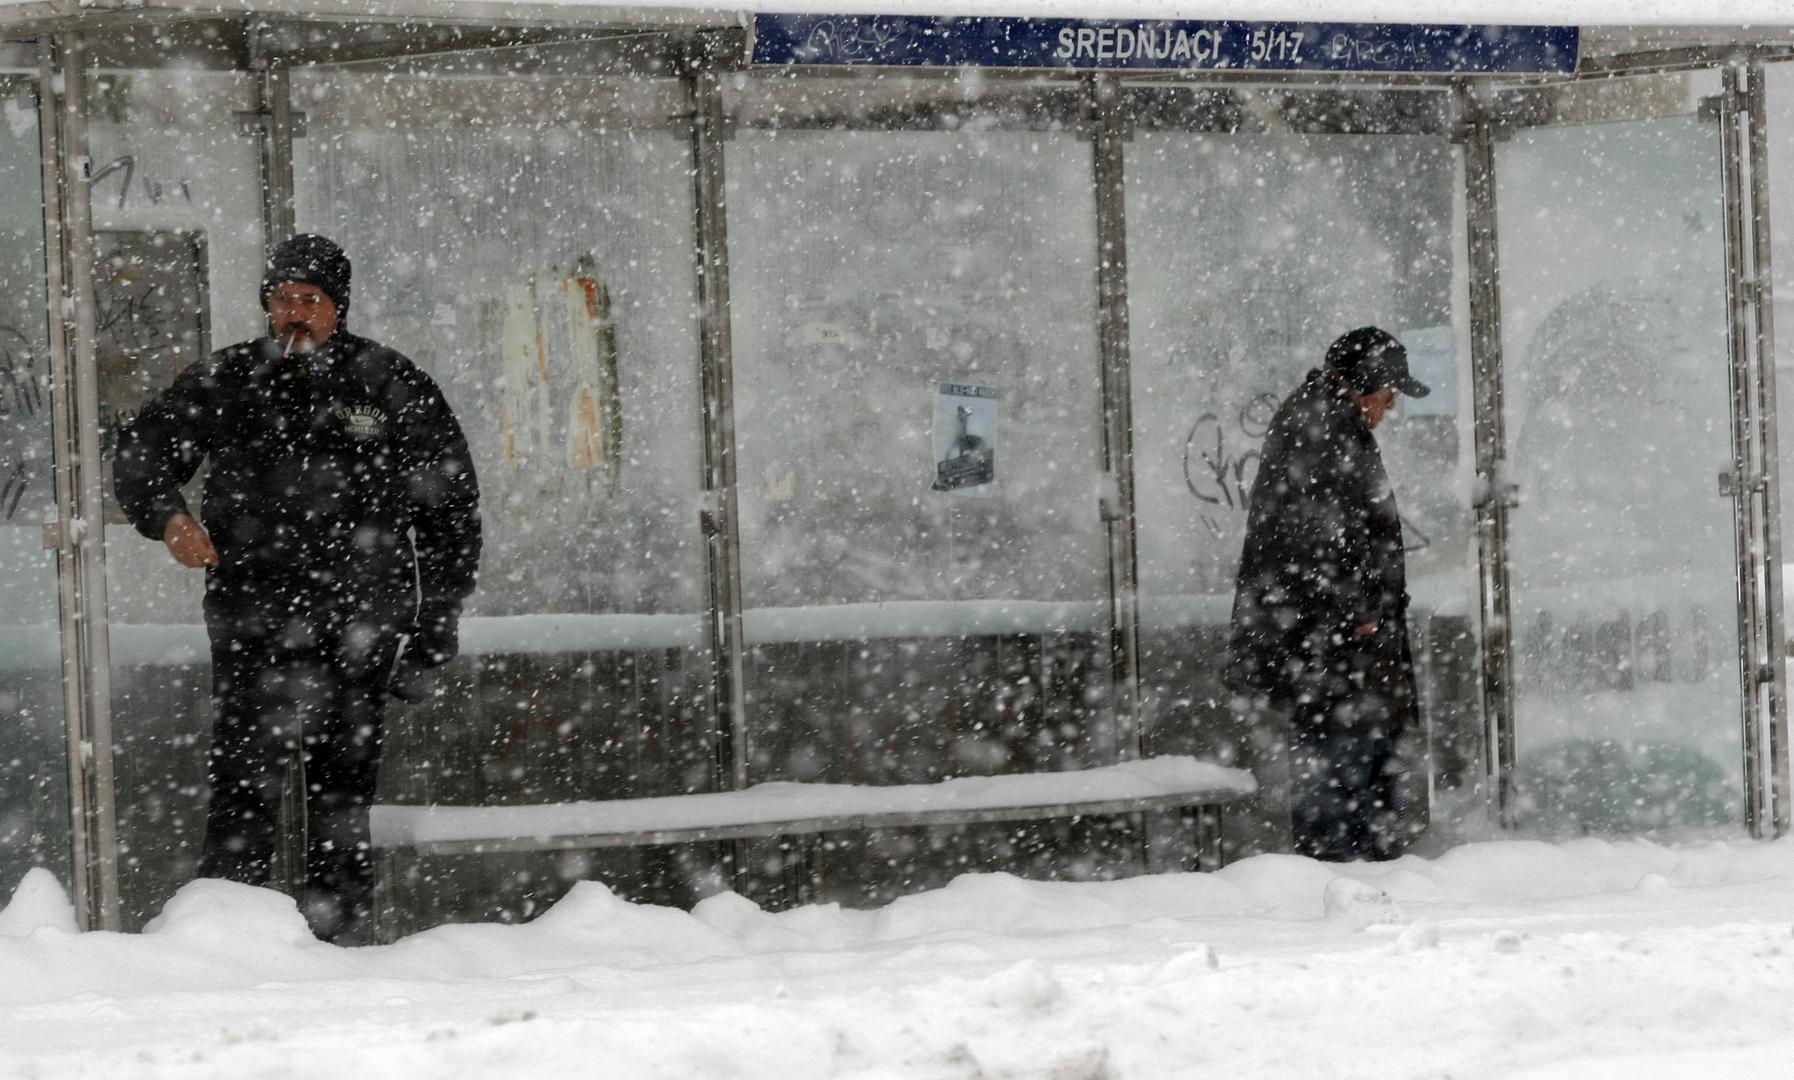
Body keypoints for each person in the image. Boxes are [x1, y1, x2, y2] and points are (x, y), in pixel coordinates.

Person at [114, 234, 481, 943]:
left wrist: (435, 627)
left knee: (342, 799)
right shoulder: (228, 380)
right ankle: (230, 945)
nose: (293, 315)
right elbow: (141, 452)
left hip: (359, 627)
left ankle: (337, 946)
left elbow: (451, 515)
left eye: (309, 301)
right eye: (282, 299)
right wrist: (168, 518)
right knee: (242, 796)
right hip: (252, 624)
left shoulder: (388, 383)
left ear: (338, 309)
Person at [1223, 326, 1428, 862]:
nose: (1388, 408)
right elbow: (1317, 534)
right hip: (1334, 648)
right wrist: (1358, 611)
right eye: (1387, 395)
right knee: (1343, 779)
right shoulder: (1321, 426)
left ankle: (1361, 875)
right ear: (1365, 385)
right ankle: (1349, 881)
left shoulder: (1325, 417)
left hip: (1332, 646)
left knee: (1352, 771)